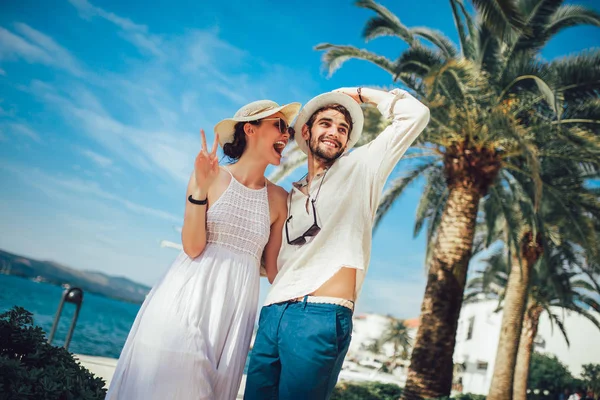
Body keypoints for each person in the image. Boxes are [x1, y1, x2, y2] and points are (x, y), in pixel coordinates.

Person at [106, 99, 300, 400]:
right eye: (279, 125)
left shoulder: (279, 199)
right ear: (250, 129)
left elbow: (273, 269)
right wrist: (199, 188)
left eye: (288, 128)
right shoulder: (213, 176)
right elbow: (193, 247)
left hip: (234, 315)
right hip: (185, 300)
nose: (286, 135)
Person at [244, 86, 430, 399]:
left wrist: (360, 94)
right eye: (326, 124)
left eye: (343, 129)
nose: (335, 133)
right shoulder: (291, 196)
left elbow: (416, 114)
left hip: (320, 316)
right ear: (306, 131)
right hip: (273, 313)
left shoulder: (361, 168)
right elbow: (271, 261)